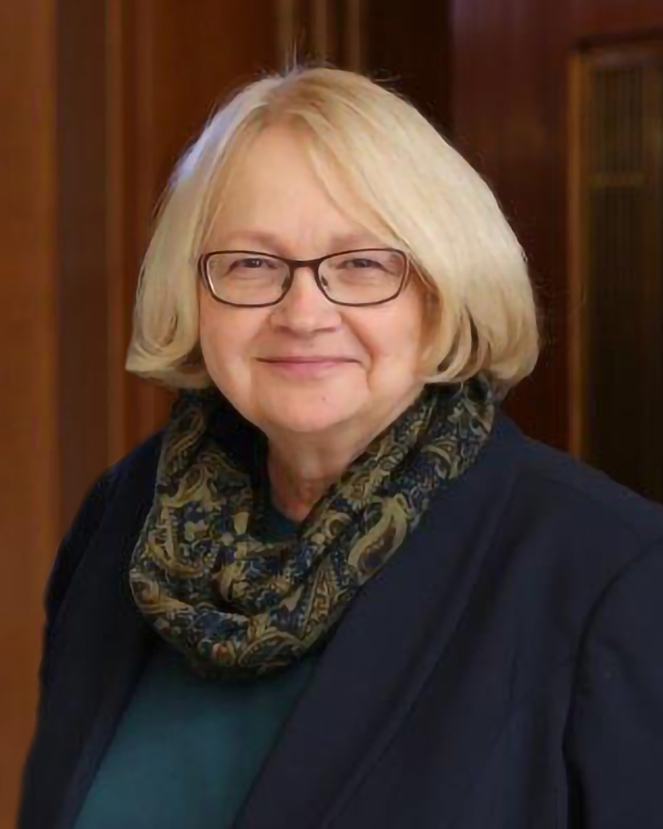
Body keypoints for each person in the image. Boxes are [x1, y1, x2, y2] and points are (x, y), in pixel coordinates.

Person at [18, 63, 663, 829]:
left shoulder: (609, 573)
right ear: (190, 292)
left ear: (444, 288)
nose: (303, 310)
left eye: (361, 264)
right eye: (252, 263)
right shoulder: (123, 520)